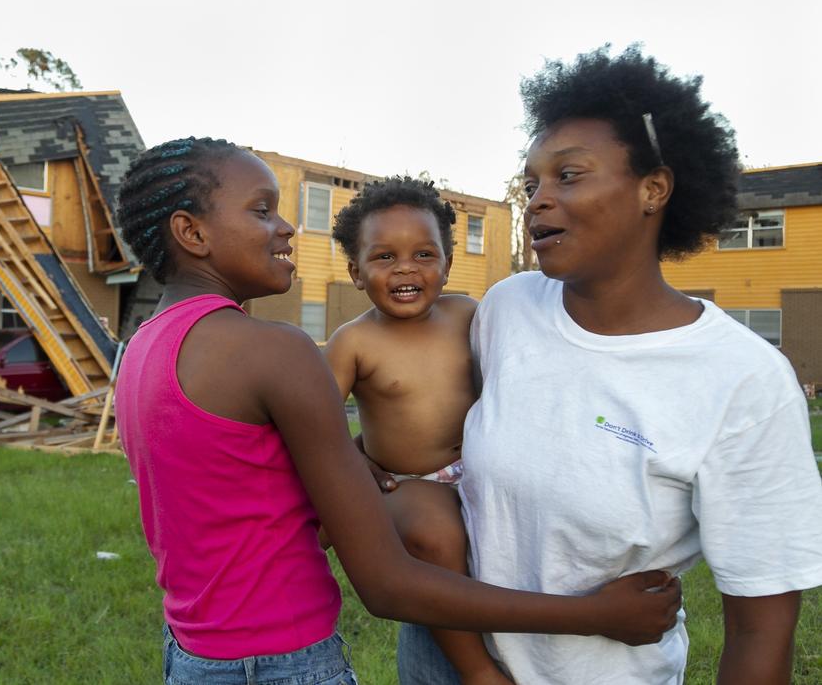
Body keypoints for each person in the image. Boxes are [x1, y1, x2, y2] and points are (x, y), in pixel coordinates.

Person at [113, 136, 681, 684]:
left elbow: (252, 478)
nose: (286, 227)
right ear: (191, 232)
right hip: (284, 661)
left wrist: (356, 456)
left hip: (194, 653)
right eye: (263, 211)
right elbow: (387, 585)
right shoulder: (275, 350)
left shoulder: (143, 349)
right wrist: (597, 617)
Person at [398, 46, 822, 684]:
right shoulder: (508, 309)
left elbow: (761, 627)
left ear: (653, 189)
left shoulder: (744, 382)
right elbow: (434, 442)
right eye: (531, 182)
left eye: (568, 175)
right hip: (444, 660)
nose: (538, 200)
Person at [324, 177, 508, 683]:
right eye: (384, 257)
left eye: (424, 254)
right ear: (356, 272)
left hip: (480, 470)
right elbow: (315, 422)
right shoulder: (353, 341)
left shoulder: (468, 315)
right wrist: (355, 456)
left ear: (447, 266)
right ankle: (476, 670)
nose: (406, 267)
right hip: (409, 483)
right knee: (434, 536)